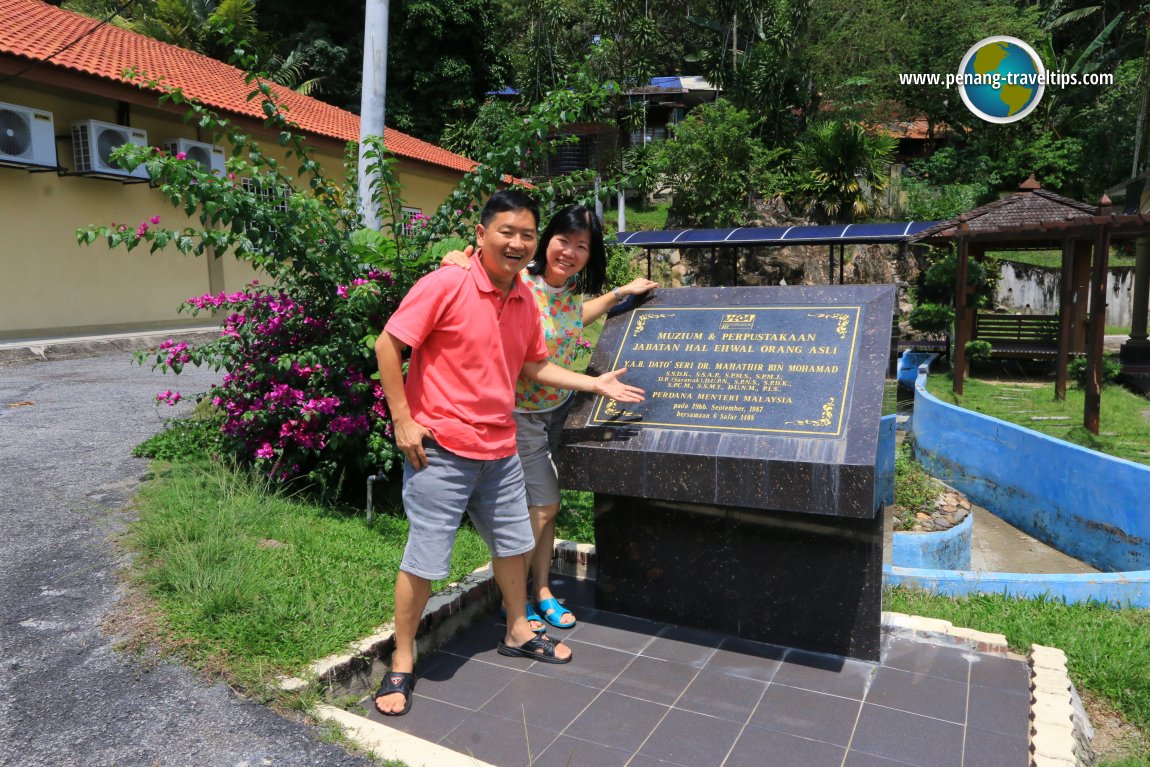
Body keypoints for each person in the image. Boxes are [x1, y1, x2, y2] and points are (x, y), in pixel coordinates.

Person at [372, 191, 645, 717]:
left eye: (526, 234)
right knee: (425, 558)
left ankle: (518, 630)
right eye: (507, 232)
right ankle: (402, 658)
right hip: (442, 450)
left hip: (499, 448)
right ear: (480, 234)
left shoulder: (522, 299)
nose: (517, 243)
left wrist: (595, 385)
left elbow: (534, 368)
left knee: (513, 544)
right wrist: (403, 420)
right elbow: (389, 344)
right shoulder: (446, 283)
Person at [442, 204, 658, 631]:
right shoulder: (518, 282)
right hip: (521, 413)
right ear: (545, 240)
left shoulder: (567, 288)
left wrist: (620, 293)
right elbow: (526, 362)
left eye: (582, 245)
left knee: (544, 507)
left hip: (555, 410)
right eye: (563, 240)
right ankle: (516, 597)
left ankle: (539, 591)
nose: (570, 251)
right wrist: (456, 260)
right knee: (543, 506)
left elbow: (571, 320)